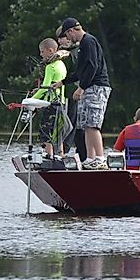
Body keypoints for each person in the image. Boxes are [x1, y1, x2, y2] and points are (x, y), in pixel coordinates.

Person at [50, 17, 111, 170]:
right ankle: (90, 158)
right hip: (88, 88)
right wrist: (63, 82)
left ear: (71, 31)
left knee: (93, 124)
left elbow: (92, 66)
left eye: (67, 35)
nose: (68, 39)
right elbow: (80, 71)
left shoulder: (88, 41)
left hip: (96, 87)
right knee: (85, 125)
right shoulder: (82, 45)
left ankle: (100, 158)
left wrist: (81, 88)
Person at [31, 37, 67, 159]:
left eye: (42, 52)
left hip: (51, 104)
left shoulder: (50, 67)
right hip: (61, 102)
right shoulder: (61, 64)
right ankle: (60, 155)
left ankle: (48, 155)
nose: (41, 55)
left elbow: (45, 87)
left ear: (50, 51)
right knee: (57, 131)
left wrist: (32, 100)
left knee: (45, 130)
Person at [55, 25, 86, 161]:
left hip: (74, 92)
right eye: (59, 38)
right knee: (64, 122)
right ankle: (61, 151)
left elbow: (78, 70)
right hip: (63, 93)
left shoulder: (77, 51)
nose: (62, 41)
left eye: (64, 37)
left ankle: (70, 151)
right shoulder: (60, 53)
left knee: (73, 123)